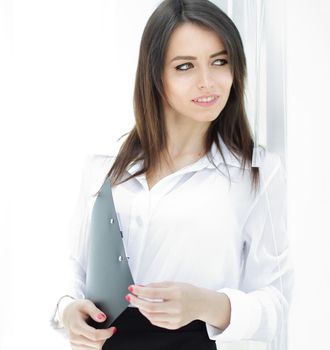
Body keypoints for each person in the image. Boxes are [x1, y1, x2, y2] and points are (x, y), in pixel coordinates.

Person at [50, 0, 295, 349]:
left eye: (220, 62)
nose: (207, 82)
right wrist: (67, 308)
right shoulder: (104, 163)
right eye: (185, 67)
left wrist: (206, 304)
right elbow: (74, 264)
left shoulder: (256, 172)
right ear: (155, 74)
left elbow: (277, 302)